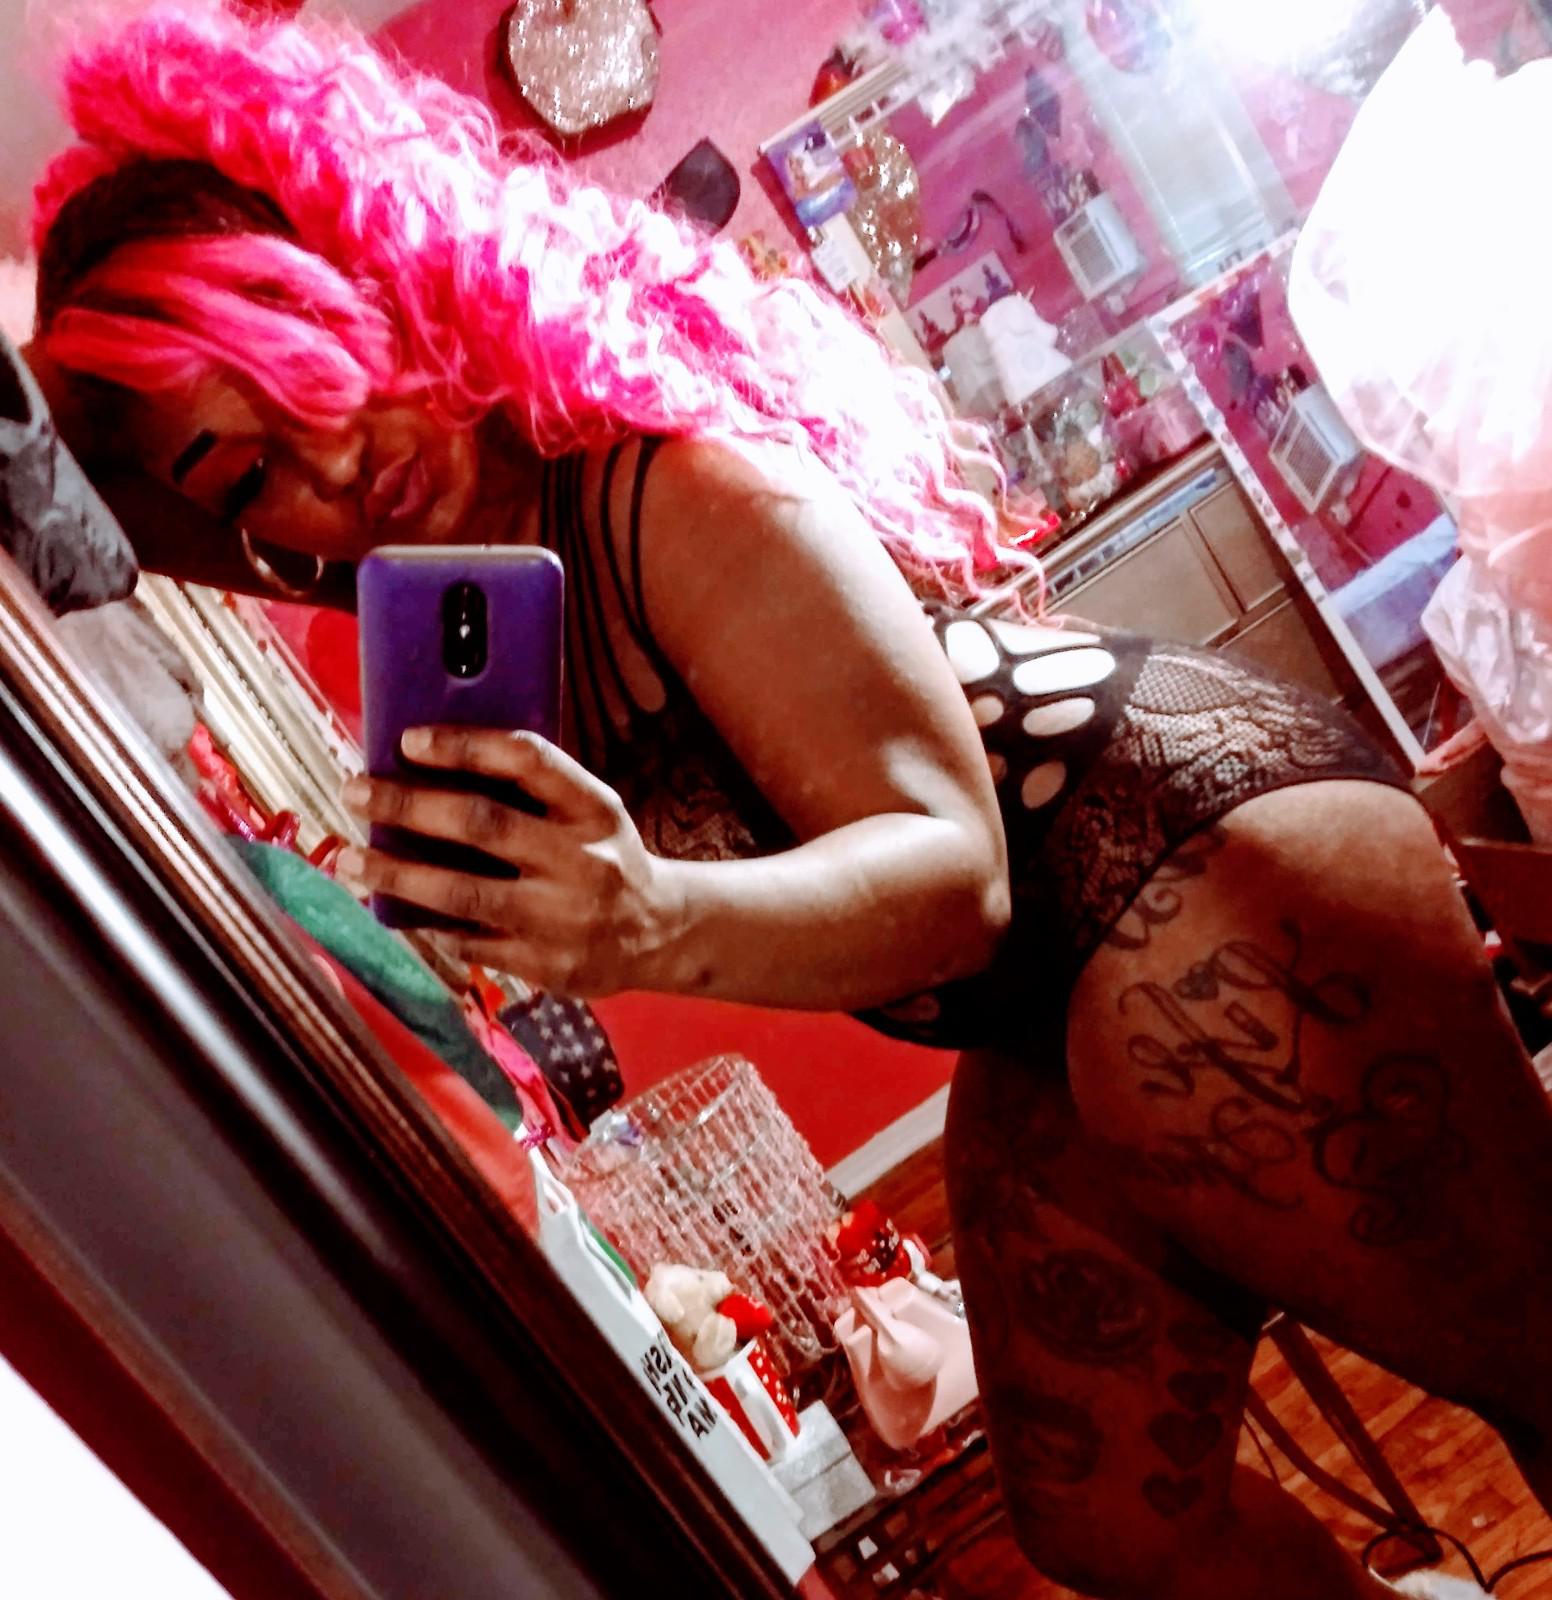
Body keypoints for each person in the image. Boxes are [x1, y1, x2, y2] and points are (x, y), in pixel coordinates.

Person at [25, 7, 1552, 1598]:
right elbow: (112, 504)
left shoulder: (661, 477)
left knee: (1533, 1360)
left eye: (307, 358)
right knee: (1111, 1523)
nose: (329, 464)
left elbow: (952, 874)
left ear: (378, 260)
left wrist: (646, 918)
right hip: (1043, 984)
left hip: (1174, 856)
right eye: (251, 471)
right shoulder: (449, 565)